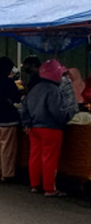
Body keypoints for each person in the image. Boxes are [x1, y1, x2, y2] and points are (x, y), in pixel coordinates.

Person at [22, 59, 73, 197]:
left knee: (35, 156)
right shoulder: (54, 91)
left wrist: (27, 123)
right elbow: (57, 112)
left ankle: (35, 185)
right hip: (51, 128)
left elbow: (24, 107)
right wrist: (65, 118)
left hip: (34, 128)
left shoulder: (35, 88)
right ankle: (49, 188)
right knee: (49, 158)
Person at [0, 57, 21, 182]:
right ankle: (6, 174)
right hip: (8, 118)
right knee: (7, 147)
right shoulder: (8, 82)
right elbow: (16, 98)